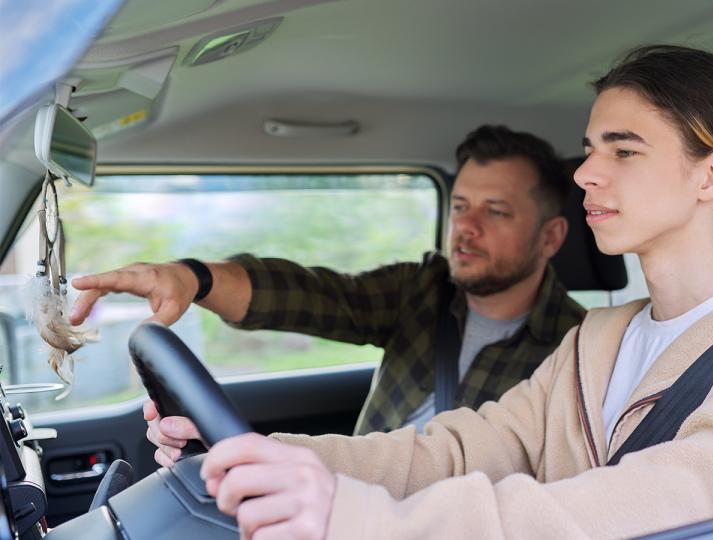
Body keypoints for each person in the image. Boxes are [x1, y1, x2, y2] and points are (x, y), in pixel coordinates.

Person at [150, 45, 713, 539]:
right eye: (591, 149)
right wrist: (258, 455)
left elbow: (666, 504)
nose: (585, 174)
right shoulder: (598, 340)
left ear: (712, 175)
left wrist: (361, 518)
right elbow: (457, 452)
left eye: (623, 151)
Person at [69, 125, 586, 438]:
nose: (466, 228)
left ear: (551, 237)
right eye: (460, 207)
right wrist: (193, 278)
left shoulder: (582, 349)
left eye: (495, 212)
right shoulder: (423, 291)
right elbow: (312, 296)